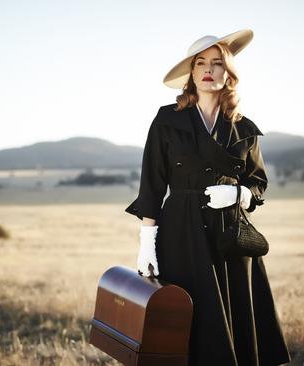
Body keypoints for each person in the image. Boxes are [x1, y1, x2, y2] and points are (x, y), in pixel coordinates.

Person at [125, 30, 291, 366]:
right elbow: (152, 183)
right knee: (188, 321)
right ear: (191, 72)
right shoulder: (167, 120)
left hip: (230, 236)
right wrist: (146, 241)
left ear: (229, 73)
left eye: (217, 63)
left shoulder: (245, 129)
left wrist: (239, 193)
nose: (208, 69)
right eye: (201, 63)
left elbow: (258, 184)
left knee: (235, 323)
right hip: (181, 233)